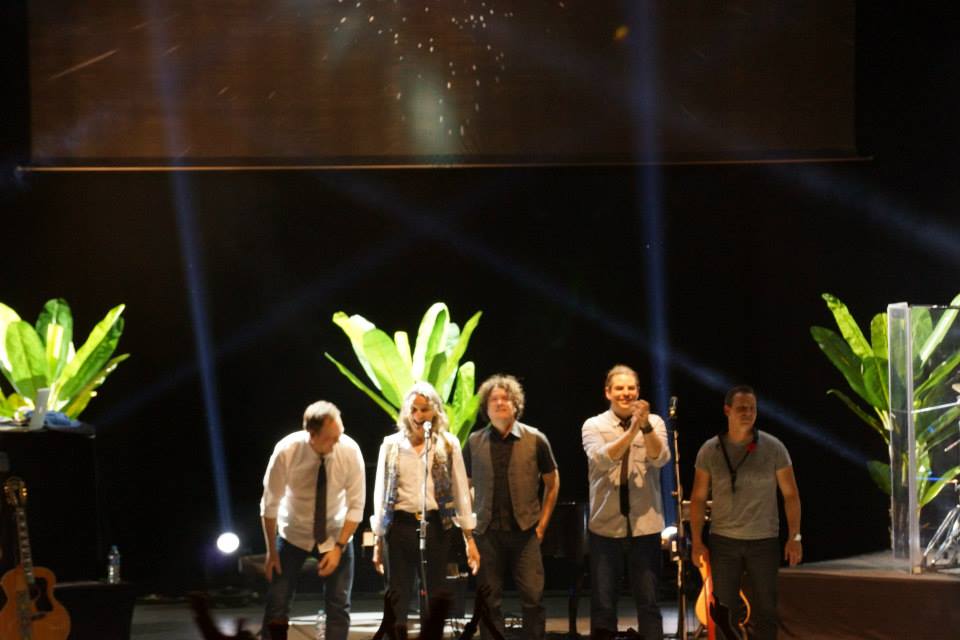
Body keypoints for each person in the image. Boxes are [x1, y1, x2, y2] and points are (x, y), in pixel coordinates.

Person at [689, 385, 802, 640]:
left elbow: (791, 495)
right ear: (727, 410)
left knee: (766, 609)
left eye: (752, 409)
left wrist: (795, 536)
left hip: (764, 540)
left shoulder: (774, 448)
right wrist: (697, 542)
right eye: (741, 408)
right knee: (723, 611)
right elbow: (697, 498)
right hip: (724, 541)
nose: (748, 413)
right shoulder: (710, 450)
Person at [370, 381, 481, 628]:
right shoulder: (391, 445)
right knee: (396, 594)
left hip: (435, 526)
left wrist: (469, 538)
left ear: (435, 412)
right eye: (414, 410)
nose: (419, 415)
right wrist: (378, 538)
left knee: (434, 593)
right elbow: (380, 492)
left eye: (424, 409)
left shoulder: (448, 444)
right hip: (399, 527)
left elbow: (461, 492)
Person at [259, 400, 366, 640]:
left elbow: (356, 506)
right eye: (331, 437)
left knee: (338, 604)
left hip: (336, 533)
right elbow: (269, 504)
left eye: (340, 433)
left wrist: (339, 547)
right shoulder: (287, 451)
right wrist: (270, 552)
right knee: (277, 603)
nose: (338, 441)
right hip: (292, 534)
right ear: (312, 435)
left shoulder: (349, 450)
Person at [463, 374, 559, 640]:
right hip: (487, 533)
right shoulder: (473, 442)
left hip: (525, 532)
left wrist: (542, 525)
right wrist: (470, 527)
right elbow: (464, 486)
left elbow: (553, 483)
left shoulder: (535, 438)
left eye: (505, 398)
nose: (500, 403)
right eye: (494, 399)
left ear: (516, 404)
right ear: (486, 407)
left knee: (532, 598)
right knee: (489, 601)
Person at [581, 364, 671, 639]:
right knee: (604, 604)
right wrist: (632, 431)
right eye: (619, 388)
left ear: (638, 392)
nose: (626, 393)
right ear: (608, 392)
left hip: (646, 526)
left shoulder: (654, 423)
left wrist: (643, 427)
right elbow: (602, 457)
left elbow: (662, 458)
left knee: (649, 602)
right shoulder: (593, 425)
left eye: (631, 388)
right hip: (606, 526)